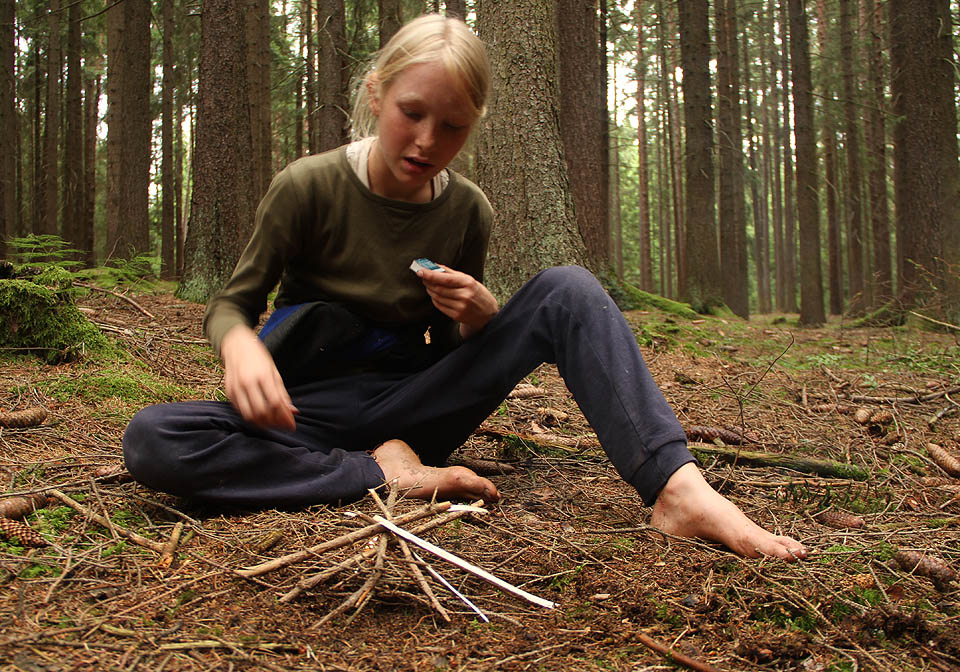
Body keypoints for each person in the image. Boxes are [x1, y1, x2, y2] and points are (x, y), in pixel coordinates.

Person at [123, 14, 807, 562]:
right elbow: (230, 305)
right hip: (306, 414)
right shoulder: (310, 186)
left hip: (416, 404)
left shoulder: (467, 211)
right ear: (375, 95)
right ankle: (377, 474)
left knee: (568, 288)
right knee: (153, 438)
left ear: (473, 124)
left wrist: (478, 321)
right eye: (411, 113)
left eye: (451, 127)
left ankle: (678, 489)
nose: (425, 140)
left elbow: (447, 347)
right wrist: (240, 344)